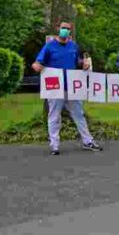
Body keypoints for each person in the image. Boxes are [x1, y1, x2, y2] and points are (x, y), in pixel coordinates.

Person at [32, 22, 103, 155]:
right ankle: (54, 145)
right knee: (54, 115)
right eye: (63, 28)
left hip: (72, 87)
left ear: (71, 32)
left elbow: (78, 62)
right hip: (55, 87)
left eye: (68, 29)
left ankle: (88, 141)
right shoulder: (49, 46)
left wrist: (85, 64)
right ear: (58, 29)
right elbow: (38, 62)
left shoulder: (73, 46)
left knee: (79, 114)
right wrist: (36, 66)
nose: (65, 30)